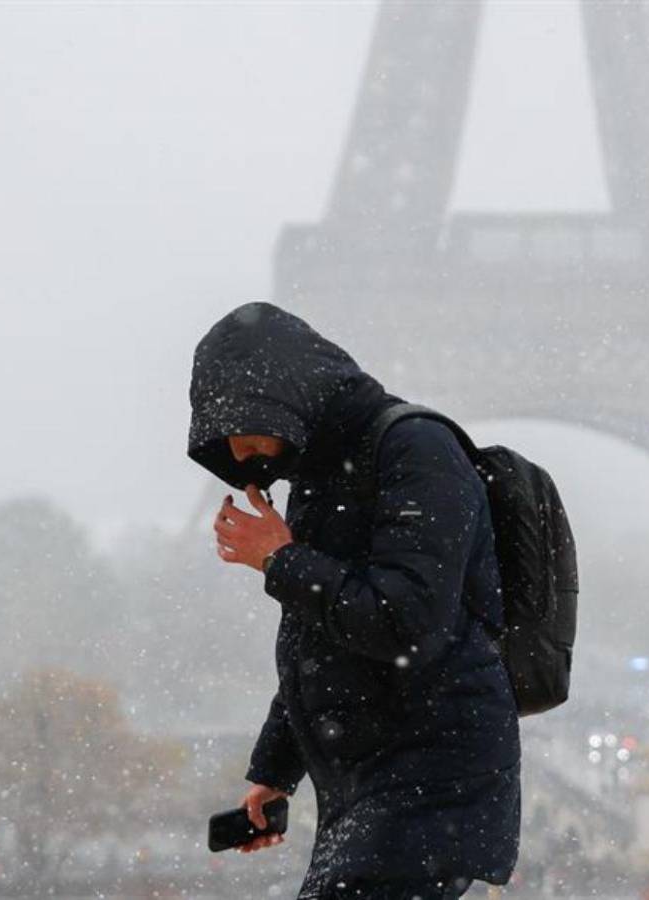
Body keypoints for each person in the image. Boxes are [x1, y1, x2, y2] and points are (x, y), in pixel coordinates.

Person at [187, 302, 521, 899]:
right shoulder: (324, 476)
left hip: (427, 782)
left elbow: (406, 623)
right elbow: (323, 643)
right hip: (380, 787)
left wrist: (279, 559)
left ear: (281, 399)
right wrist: (276, 772)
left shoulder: (416, 450)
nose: (238, 458)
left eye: (237, 427)